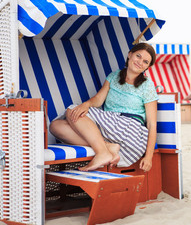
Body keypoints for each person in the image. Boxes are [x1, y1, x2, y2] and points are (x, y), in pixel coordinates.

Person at [49, 43, 158, 172]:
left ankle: (102, 152)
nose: (140, 62)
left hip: (130, 133)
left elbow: (151, 124)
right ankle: (107, 147)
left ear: (148, 67)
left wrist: (149, 156)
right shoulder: (114, 76)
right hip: (109, 128)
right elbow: (99, 99)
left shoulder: (147, 86)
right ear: (130, 55)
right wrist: (86, 104)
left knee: (72, 111)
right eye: (138, 56)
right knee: (56, 126)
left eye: (145, 61)